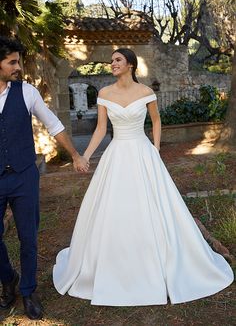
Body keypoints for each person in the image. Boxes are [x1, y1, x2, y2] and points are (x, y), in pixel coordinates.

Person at [53, 48, 234, 306]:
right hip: (117, 153)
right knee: (114, 206)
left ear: (130, 65)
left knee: (154, 204)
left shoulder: (146, 92)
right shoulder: (104, 94)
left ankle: (163, 260)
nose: (112, 63)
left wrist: (155, 149)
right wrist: (85, 156)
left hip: (142, 151)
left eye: (117, 60)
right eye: (112, 60)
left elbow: (156, 121)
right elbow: (102, 129)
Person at [0, 36, 89, 320]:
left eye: (19, 61)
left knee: (28, 238)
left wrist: (75, 155)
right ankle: (8, 279)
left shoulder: (27, 92)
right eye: (12, 62)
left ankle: (27, 291)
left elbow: (54, 125)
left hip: (25, 176)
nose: (18, 66)